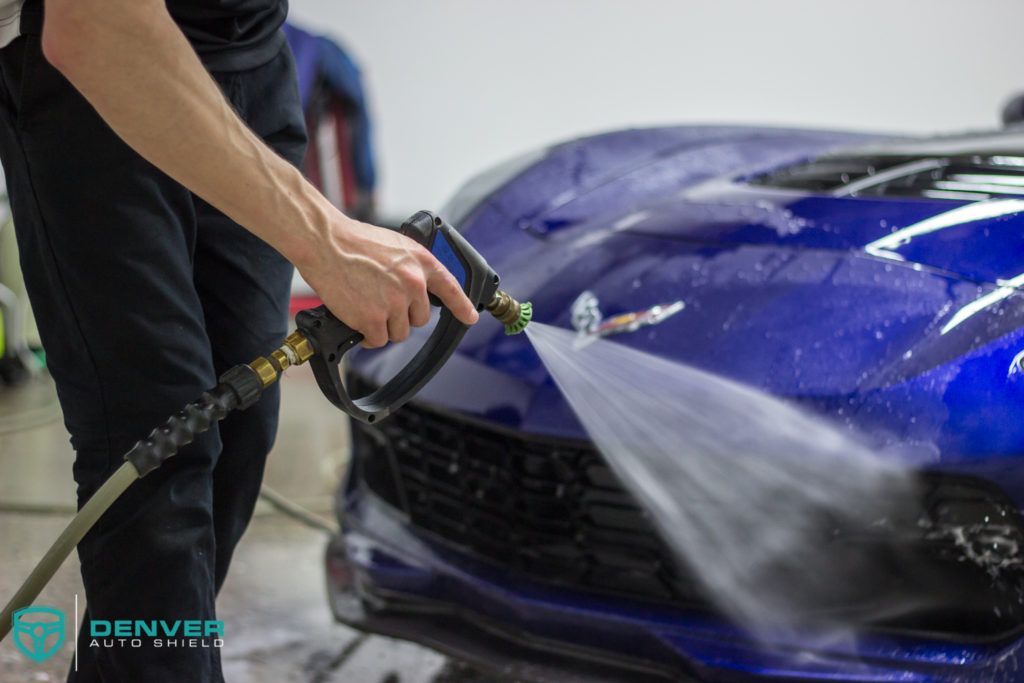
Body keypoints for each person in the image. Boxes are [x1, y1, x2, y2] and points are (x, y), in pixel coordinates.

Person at [0, 0, 479, 680]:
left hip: (247, 52)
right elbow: (92, 27)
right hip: (94, 66)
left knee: (241, 418)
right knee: (158, 447)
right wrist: (326, 237)